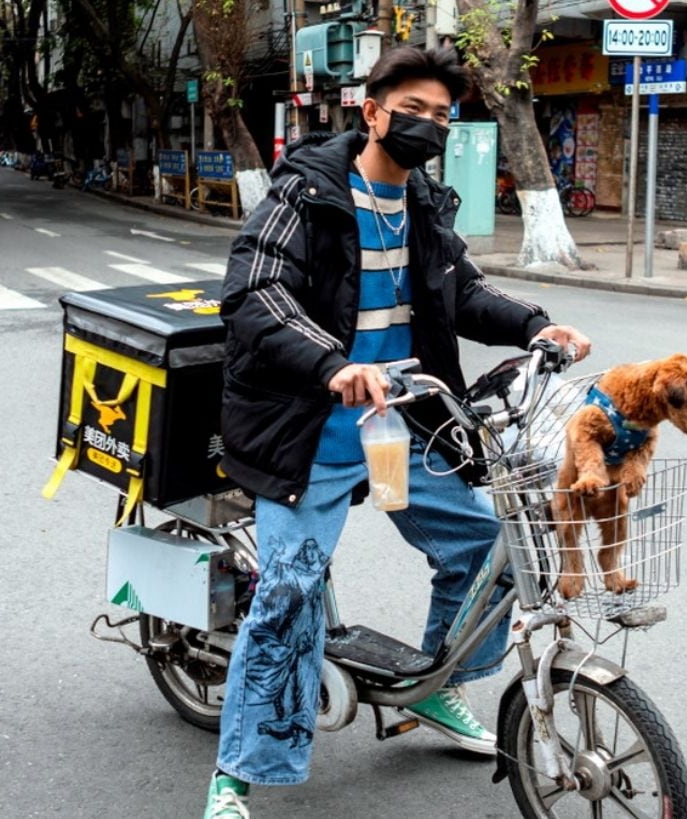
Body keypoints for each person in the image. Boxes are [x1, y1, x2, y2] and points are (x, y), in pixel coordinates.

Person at [208, 46, 591, 818]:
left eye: (442, 116)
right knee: (290, 590)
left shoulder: (421, 201)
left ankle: (434, 687)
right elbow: (256, 292)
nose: (427, 126)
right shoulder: (306, 193)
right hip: (309, 426)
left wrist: (537, 326)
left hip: (399, 425)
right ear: (372, 111)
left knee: (489, 549)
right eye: (412, 111)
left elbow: (463, 291)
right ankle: (236, 771)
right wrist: (330, 364)